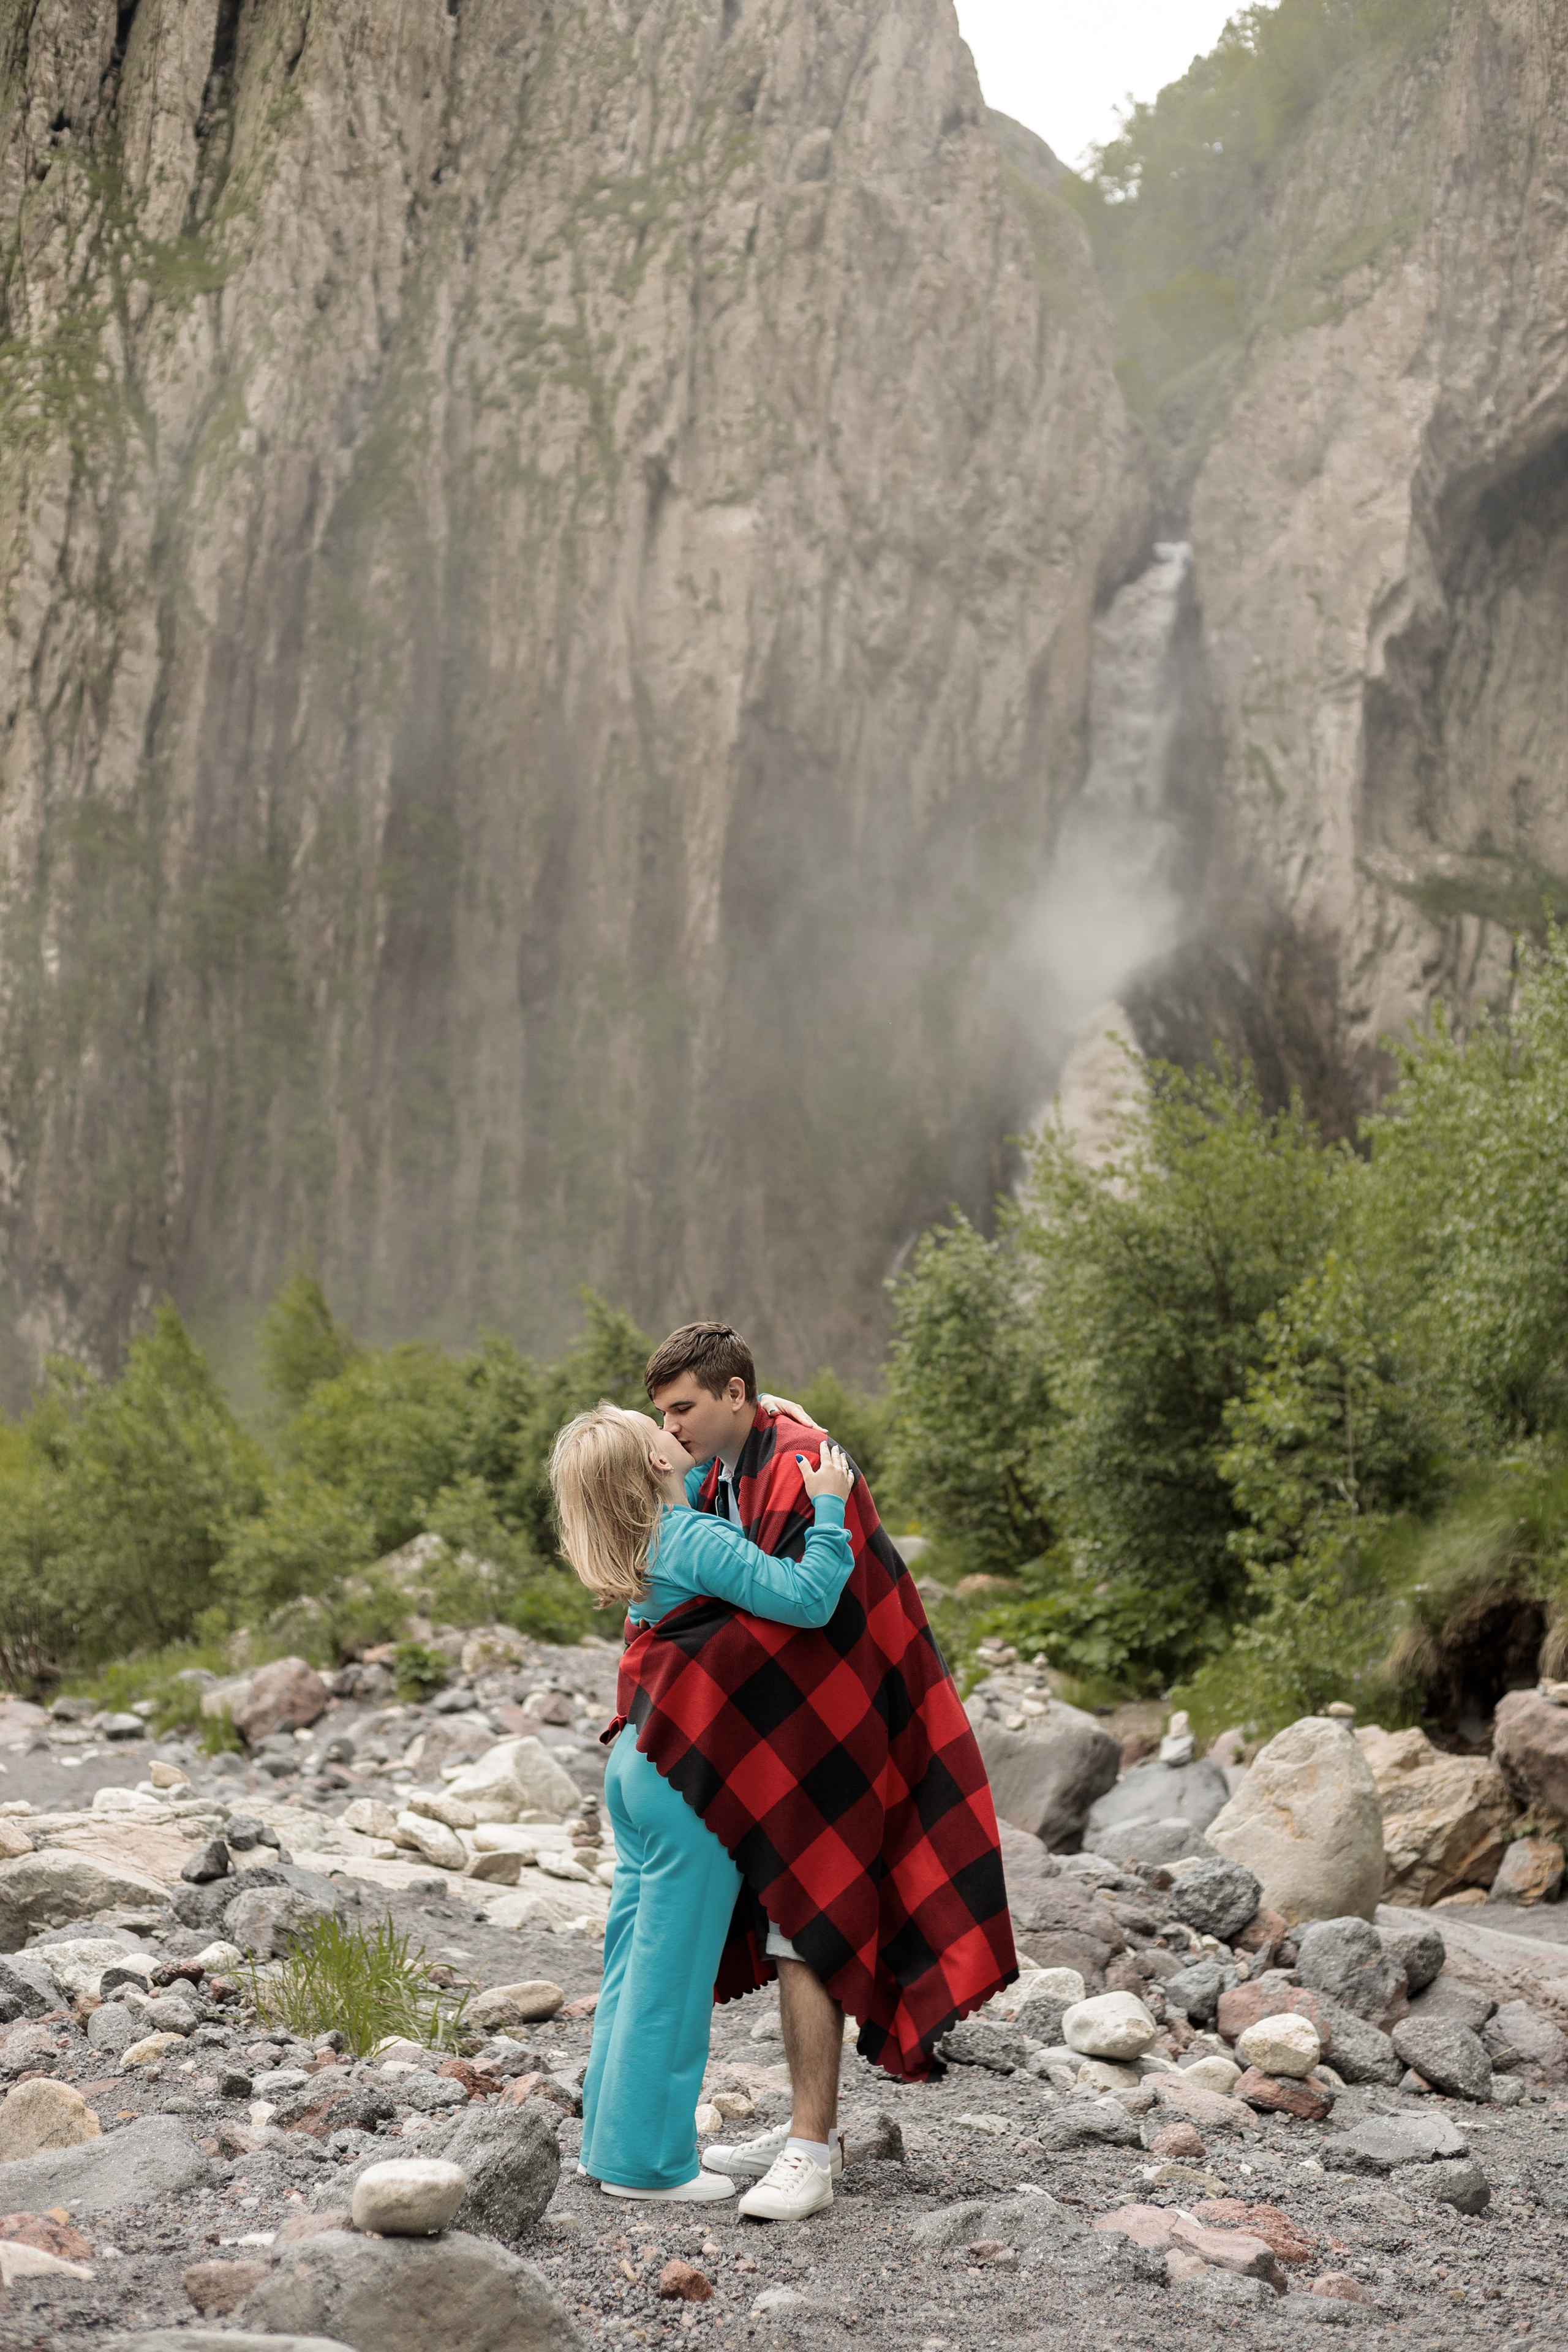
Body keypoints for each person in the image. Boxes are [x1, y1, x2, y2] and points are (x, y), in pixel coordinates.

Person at [633, 1320, 1016, 2223]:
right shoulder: (732, 1462)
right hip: (800, 1734)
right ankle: (816, 2129)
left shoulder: (800, 1462)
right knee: (790, 1919)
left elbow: (804, 1608)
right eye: (662, 1413)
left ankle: (810, 2152)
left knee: (813, 1923)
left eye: (682, 1407)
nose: (671, 1427)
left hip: (848, 1729)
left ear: (732, 1396)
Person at [550, 1400, 858, 2204]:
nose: (672, 1428)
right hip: (689, 1780)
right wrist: (830, 1503)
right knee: (671, 1979)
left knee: (632, 1968)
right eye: (655, 1426)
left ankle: (608, 2149)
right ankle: (649, 2169)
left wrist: (763, 1416)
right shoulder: (690, 1538)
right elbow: (809, 1597)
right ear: (655, 1465)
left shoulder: (652, 1546)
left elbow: (718, 1499)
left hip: (638, 1769)